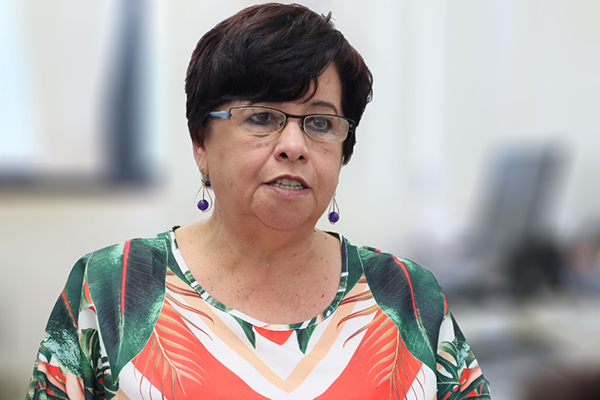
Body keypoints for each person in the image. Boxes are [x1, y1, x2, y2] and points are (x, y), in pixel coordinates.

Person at [26, 3, 491, 399]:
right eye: (263, 117)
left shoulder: (408, 296)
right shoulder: (112, 288)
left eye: (320, 123)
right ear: (201, 143)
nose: (294, 146)